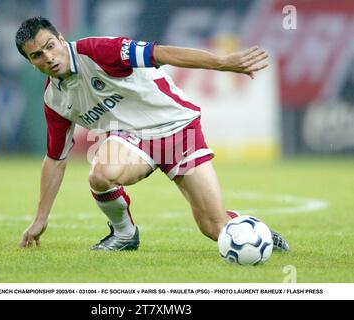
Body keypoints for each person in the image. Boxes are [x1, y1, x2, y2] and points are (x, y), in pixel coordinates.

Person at [16, 16, 289, 252]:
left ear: (61, 40)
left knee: (214, 228)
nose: (49, 58)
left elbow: (161, 53)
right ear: (30, 62)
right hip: (132, 141)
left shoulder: (99, 51)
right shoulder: (54, 99)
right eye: (37, 55)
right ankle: (124, 235)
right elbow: (55, 158)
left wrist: (223, 62)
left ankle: (255, 233)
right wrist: (41, 218)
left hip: (178, 128)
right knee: (100, 174)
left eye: (50, 46)